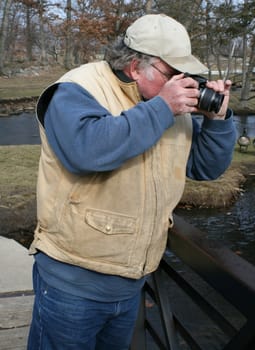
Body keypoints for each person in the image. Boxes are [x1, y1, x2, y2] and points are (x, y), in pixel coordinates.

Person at [27, 13, 236, 350]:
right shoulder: (76, 89)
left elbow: (205, 167)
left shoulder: (167, 103)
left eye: (187, 73)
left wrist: (218, 120)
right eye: (173, 72)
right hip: (73, 282)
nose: (183, 82)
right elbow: (87, 151)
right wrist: (163, 108)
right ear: (136, 66)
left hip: (133, 281)